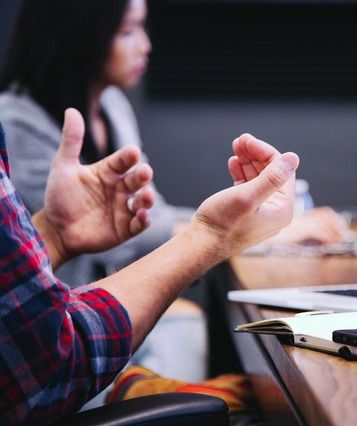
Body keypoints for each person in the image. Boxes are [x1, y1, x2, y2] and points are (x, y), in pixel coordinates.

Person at [0, 0, 344, 385]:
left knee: (192, 327)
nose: (145, 45)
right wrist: (230, 233)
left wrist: (228, 230)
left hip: (95, 310)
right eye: (128, 31)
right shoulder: (15, 124)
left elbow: (144, 216)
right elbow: (132, 237)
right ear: (79, 35)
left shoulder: (111, 106)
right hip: (59, 333)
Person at [0, 107, 299, 424]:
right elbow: (49, 362)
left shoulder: (113, 106)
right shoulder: (18, 117)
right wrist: (213, 235)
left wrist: (53, 235)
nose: (145, 52)